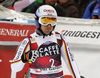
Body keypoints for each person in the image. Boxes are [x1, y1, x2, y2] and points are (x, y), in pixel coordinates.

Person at [11, 5, 81, 78]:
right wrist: (26, 57)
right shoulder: (29, 40)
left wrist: (77, 77)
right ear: (37, 21)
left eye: (52, 21)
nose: (49, 25)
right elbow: (14, 68)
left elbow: (70, 61)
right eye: (45, 21)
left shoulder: (59, 38)